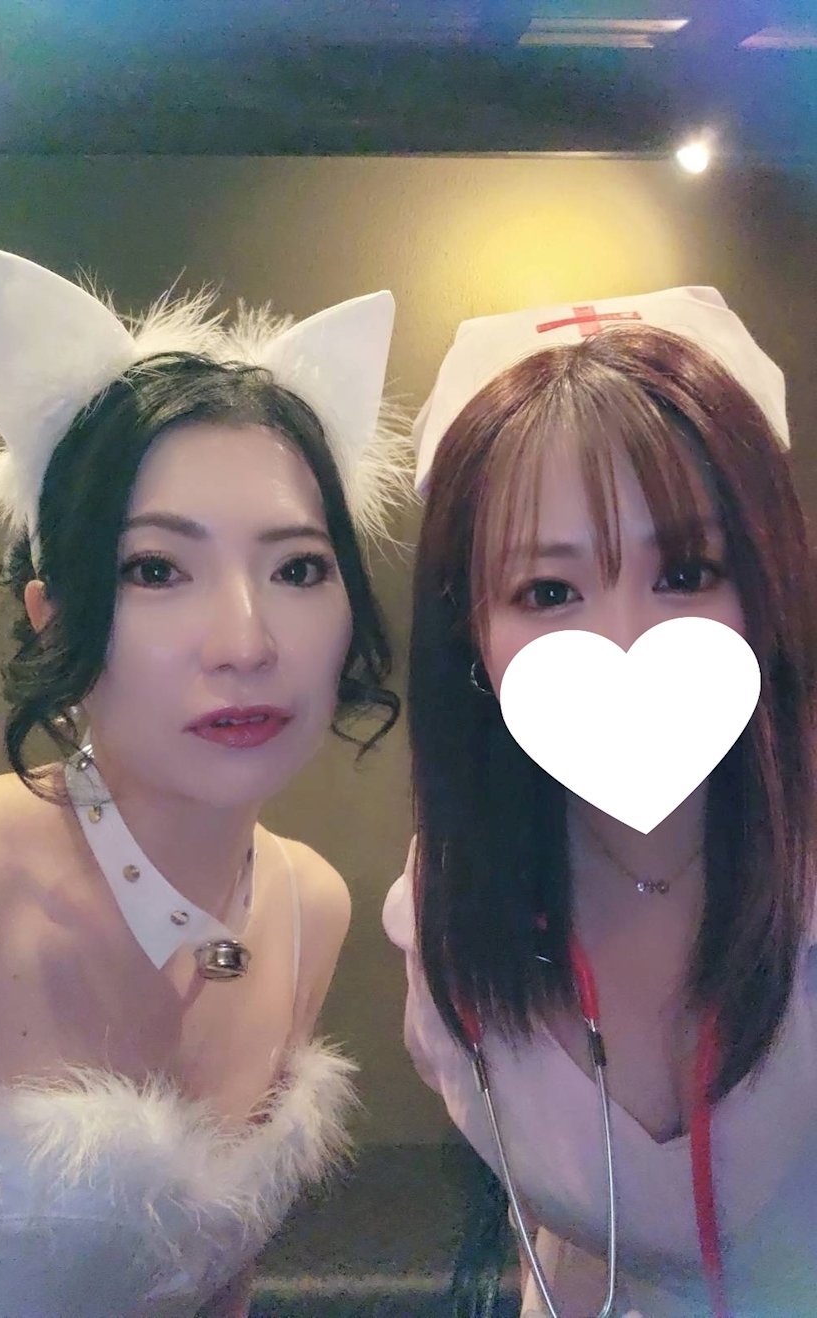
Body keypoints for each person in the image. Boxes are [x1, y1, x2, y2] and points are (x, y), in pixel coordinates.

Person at [0, 250, 410, 1318]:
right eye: (156, 569)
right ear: (55, 618)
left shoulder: (308, 905)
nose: (246, 642)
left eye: (298, 568)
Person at [384, 288, 817, 1317]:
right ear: (472, 635)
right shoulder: (449, 900)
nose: (627, 642)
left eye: (688, 572)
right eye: (548, 592)